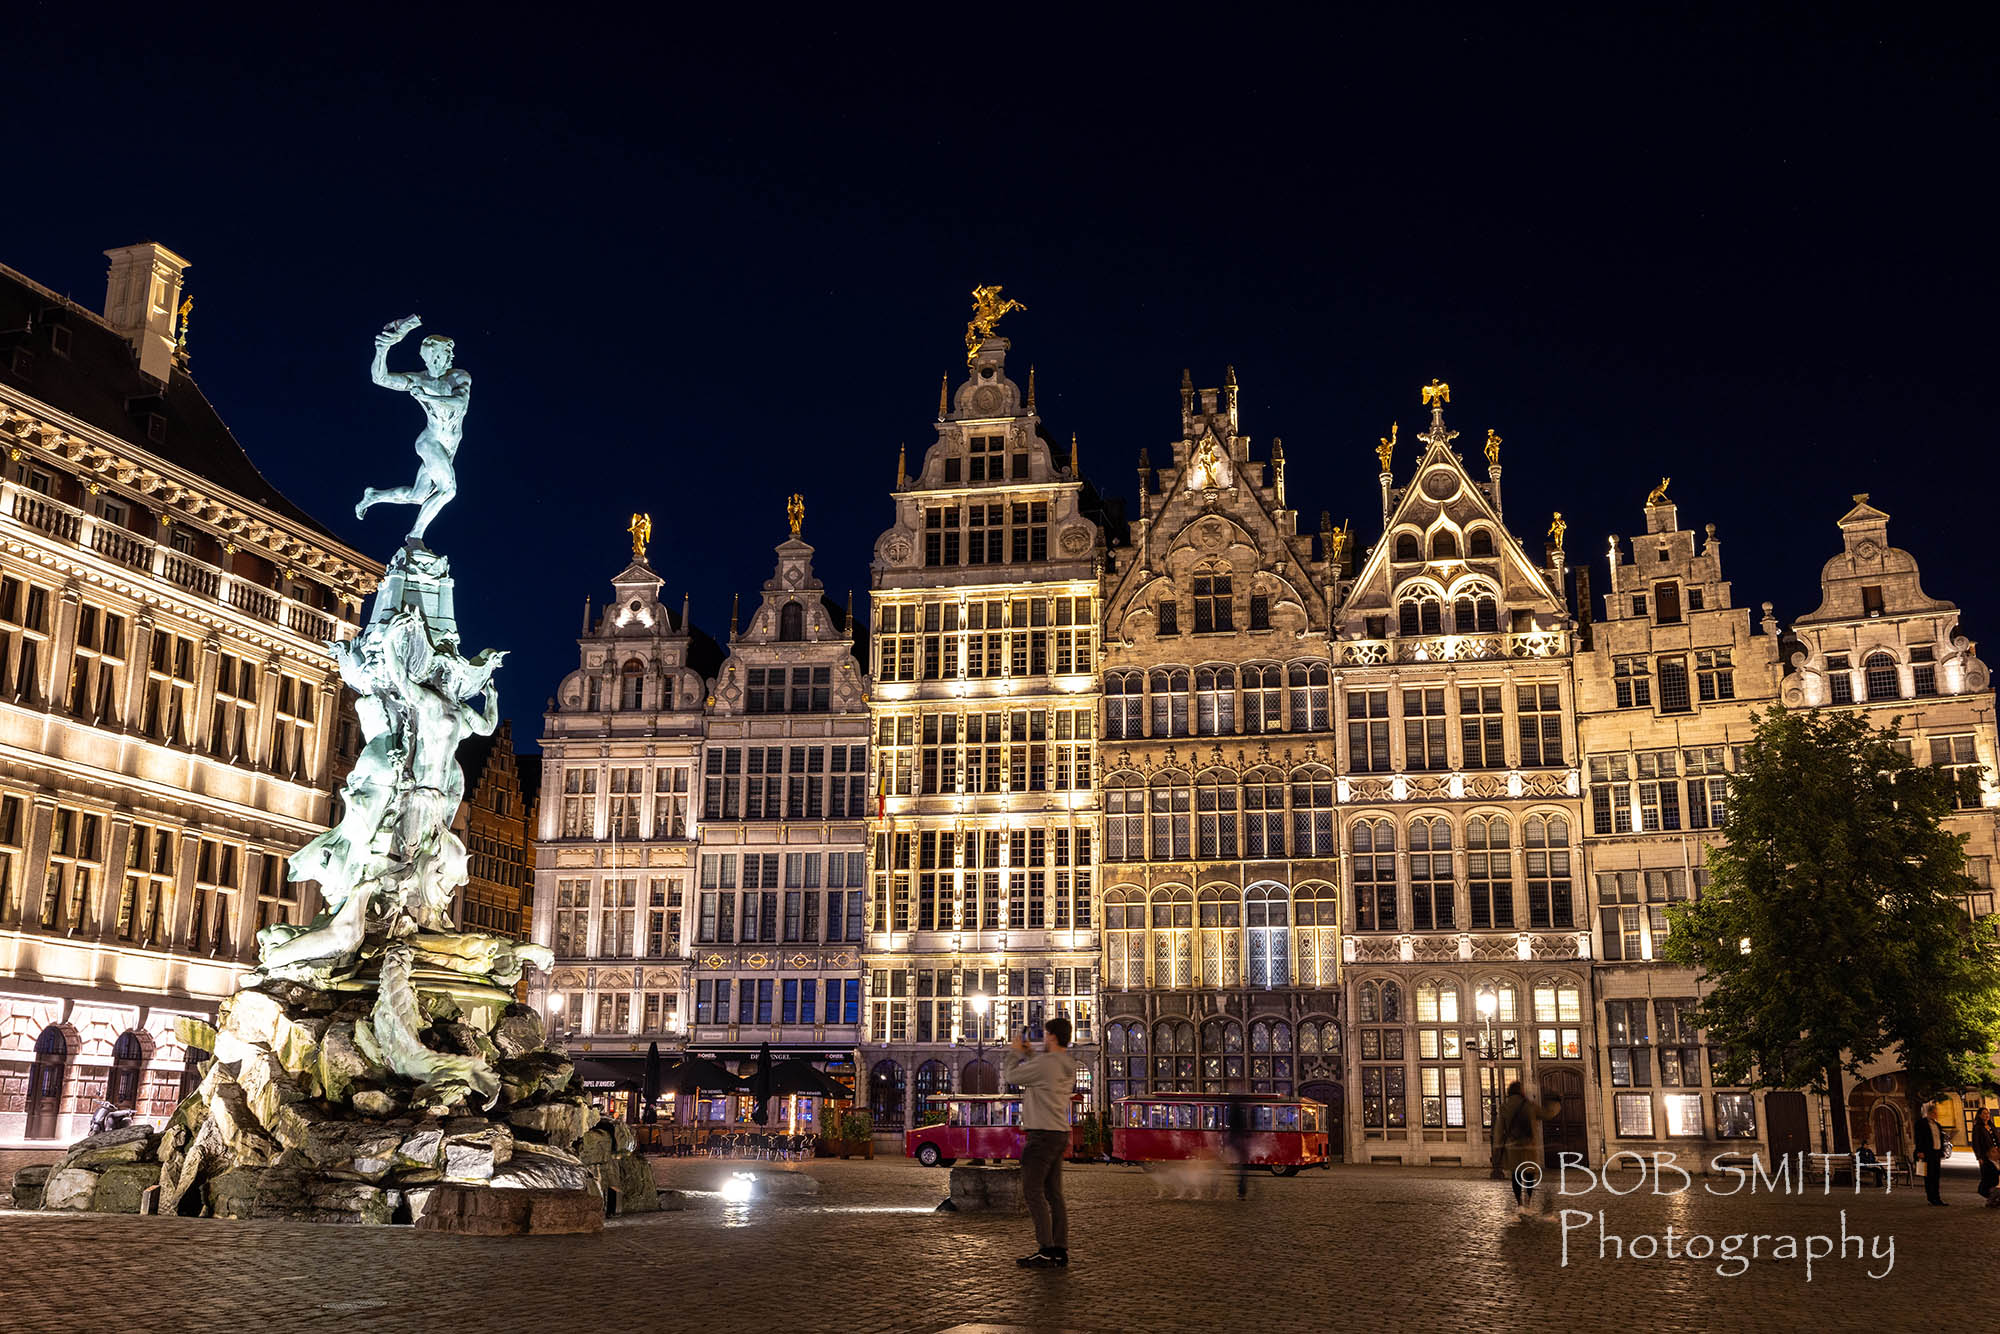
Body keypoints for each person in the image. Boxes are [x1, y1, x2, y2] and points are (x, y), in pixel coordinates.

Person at [1004, 1015, 1077, 1269]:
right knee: (1055, 1194)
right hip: (1059, 1132)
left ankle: (1045, 1248)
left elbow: (1012, 1076)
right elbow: (1045, 1072)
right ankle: (1060, 1248)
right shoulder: (1067, 1064)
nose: (1043, 1039)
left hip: (1041, 1134)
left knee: (1032, 1191)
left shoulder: (1047, 1063)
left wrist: (1015, 1053)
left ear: (1053, 1036)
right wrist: (1032, 1056)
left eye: (1046, 1035)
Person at [1494, 1080, 1561, 1221]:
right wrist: (1556, 1103)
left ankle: (1520, 1204)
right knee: (1529, 1175)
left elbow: (1499, 1131)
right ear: (1521, 1091)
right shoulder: (1529, 1106)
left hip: (1513, 1148)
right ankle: (1528, 1203)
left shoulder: (1504, 1107)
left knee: (1516, 1176)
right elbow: (1547, 1114)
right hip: (1529, 1147)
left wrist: (1497, 1150)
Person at [1915, 1100, 1947, 1206]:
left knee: (1936, 1176)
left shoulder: (1937, 1125)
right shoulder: (1921, 1123)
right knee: (1929, 1176)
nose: (1936, 1115)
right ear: (1929, 1113)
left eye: (1936, 1113)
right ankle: (1931, 1197)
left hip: (1936, 1153)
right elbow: (1918, 1138)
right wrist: (1920, 1151)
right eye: (1934, 1113)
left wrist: (1942, 1151)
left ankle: (1937, 1197)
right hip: (1927, 1153)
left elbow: (1940, 1138)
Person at [1224, 1092, 1252, 1199]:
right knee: (1242, 1166)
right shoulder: (1240, 1110)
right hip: (1239, 1139)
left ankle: (1241, 1190)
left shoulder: (1232, 1110)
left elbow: (1231, 1125)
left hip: (1234, 1138)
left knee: (1240, 1165)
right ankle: (1241, 1191)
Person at [1970, 1107, 1997, 1201]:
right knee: (1987, 1176)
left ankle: (1992, 1197)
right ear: (1980, 1115)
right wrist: (1979, 1157)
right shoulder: (1978, 1127)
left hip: (1995, 1155)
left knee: (1995, 1177)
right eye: (1984, 1113)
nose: (1987, 1115)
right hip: (1985, 1156)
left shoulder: (1991, 1125)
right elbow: (1976, 1143)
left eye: (1988, 1114)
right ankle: (1984, 1192)